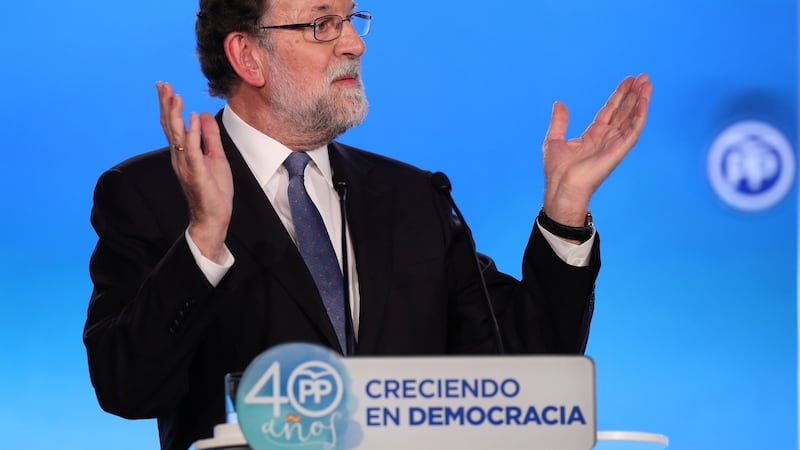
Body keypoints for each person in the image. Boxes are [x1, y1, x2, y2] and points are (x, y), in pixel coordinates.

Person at [83, 0, 652, 448]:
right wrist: (205, 238)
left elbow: (529, 372)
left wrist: (565, 208)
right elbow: (128, 388)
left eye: (352, 19)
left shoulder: (413, 196)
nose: (353, 43)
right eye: (322, 24)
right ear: (248, 56)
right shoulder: (151, 195)